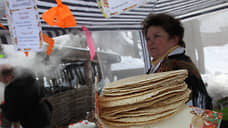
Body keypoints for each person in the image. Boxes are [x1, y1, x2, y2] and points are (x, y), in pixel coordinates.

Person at [142, 13, 213, 109]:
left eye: (157, 36)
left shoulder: (178, 66)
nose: (151, 42)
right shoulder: (160, 65)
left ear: (174, 39)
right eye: (148, 39)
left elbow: (198, 104)